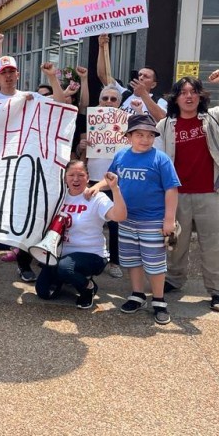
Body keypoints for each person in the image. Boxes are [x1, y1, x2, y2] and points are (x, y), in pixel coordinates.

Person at [156, 71, 219, 313]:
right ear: (175, 98)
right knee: (175, 242)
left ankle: (218, 290)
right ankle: (175, 280)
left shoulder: (214, 118)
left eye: (193, 92)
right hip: (177, 195)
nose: (188, 96)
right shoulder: (165, 125)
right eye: (183, 93)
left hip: (210, 193)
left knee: (214, 244)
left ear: (200, 96)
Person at [0, 56, 66, 281]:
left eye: (11, 71)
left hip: (23, 169)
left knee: (25, 213)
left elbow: (62, 103)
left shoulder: (32, 98)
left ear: (17, 74)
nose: (8, 76)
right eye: (3, 72)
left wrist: (52, 77)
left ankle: (24, 263)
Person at [90, 114, 180, 325]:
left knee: (155, 262)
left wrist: (169, 219)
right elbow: (110, 178)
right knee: (132, 260)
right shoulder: (121, 156)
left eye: (149, 135)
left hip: (153, 220)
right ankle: (137, 294)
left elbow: (171, 189)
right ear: (129, 136)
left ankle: (158, 300)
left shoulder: (161, 159)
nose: (145, 139)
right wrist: (95, 186)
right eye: (139, 135)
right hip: (126, 220)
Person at [35, 160, 127, 309]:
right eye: (71, 175)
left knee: (65, 268)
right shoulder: (59, 196)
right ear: (65, 178)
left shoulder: (97, 198)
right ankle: (70, 277)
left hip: (91, 254)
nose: (75, 179)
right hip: (60, 254)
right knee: (44, 292)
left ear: (88, 177)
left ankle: (88, 287)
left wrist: (114, 189)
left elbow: (120, 216)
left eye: (80, 175)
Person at [85, 84, 127, 279]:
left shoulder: (128, 124)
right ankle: (88, 256)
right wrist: (82, 145)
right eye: (105, 98)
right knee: (88, 221)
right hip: (92, 178)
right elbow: (78, 153)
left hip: (116, 183)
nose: (109, 102)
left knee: (115, 224)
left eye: (113, 99)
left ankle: (115, 262)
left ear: (119, 103)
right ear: (99, 100)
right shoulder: (89, 120)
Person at [97, 33, 167, 119]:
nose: (141, 78)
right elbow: (102, 74)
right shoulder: (124, 94)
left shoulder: (159, 101)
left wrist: (143, 94)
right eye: (139, 75)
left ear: (153, 84)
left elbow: (162, 118)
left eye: (146, 76)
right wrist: (101, 47)